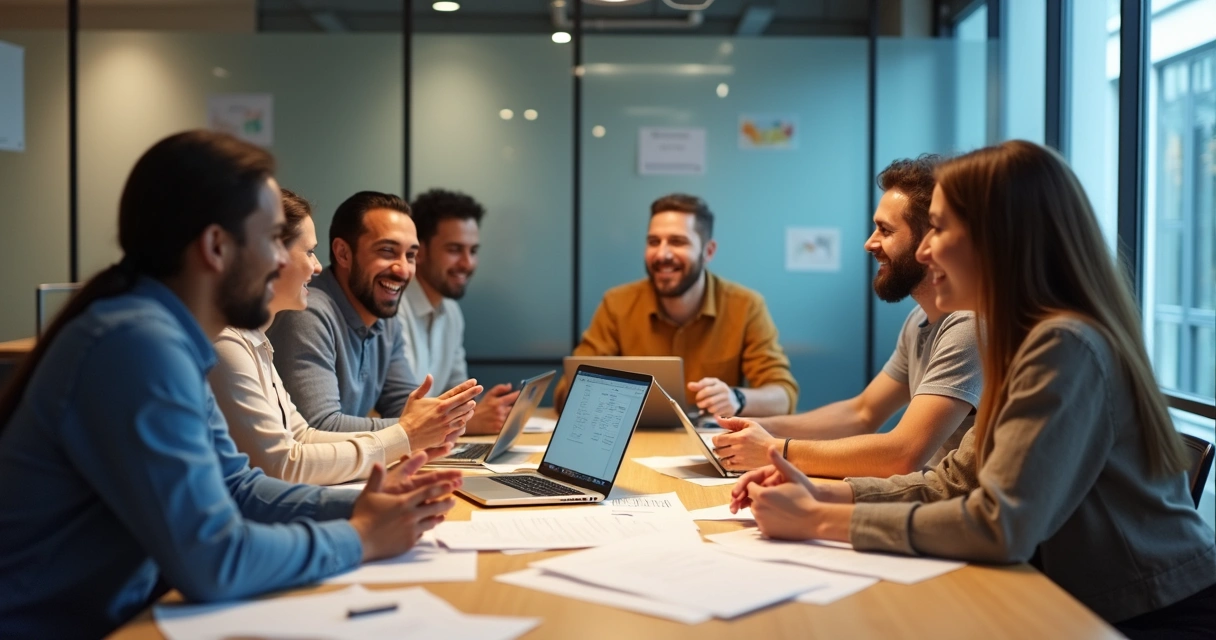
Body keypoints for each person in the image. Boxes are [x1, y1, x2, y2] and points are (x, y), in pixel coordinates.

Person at [729, 140, 1216, 636]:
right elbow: (953, 485)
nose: (921, 251)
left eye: (937, 229)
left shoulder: (1061, 345)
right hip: (1084, 602)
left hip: (1154, 617)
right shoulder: (1020, 338)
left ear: (997, 240)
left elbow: (998, 526)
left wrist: (816, 520)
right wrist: (825, 495)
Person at [0, 131, 463, 637]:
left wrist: (361, 504)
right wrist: (362, 538)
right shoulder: (135, 344)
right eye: (272, 239)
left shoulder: (166, 335)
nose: (286, 261)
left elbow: (238, 488)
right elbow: (214, 559)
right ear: (217, 247)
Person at [711, 156, 982, 476]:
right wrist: (753, 429)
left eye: (885, 230)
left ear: (930, 239)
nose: (870, 243)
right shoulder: (918, 320)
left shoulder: (968, 325)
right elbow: (862, 412)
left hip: (935, 511)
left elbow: (903, 454)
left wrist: (774, 449)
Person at [210, 190, 453, 485]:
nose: (316, 267)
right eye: (309, 251)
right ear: (268, 256)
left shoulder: (254, 338)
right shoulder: (228, 340)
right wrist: (407, 434)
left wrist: (428, 424)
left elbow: (302, 436)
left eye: (411, 255)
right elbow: (284, 465)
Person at [554, 193, 798, 417]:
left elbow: (783, 395)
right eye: (653, 242)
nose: (662, 255)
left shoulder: (745, 306)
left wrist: (737, 398)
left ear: (708, 251)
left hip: (711, 449)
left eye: (677, 242)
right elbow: (566, 393)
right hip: (631, 445)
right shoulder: (617, 304)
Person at [266, 191, 482, 437]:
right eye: (387, 251)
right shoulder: (308, 311)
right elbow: (318, 427)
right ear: (343, 253)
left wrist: (445, 414)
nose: (403, 270)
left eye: (410, 255)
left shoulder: (383, 316)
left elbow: (405, 405)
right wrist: (424, 425)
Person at [398, 188, 519, 435]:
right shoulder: (392, 309)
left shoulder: (451, 312)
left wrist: (480, 410)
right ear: (418, 251)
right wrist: (470, 422)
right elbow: (399, 411)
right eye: (454, 250)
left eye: (473, 251)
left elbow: (457, 393)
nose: (467, 263)